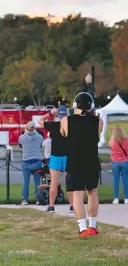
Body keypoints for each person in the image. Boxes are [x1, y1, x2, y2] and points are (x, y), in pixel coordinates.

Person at [60, 92, 103, 237]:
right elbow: (96, 136)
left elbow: (64, 134)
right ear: (91, 106)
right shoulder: (98, 121)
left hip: (75, 160)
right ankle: (93, 226)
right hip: (91, 159)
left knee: (77, 195)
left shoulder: (67, 120)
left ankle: (82, 228)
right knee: (92, 191)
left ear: (75, 105)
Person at [38, 107, 74, 213]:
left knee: (53, 183)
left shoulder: (54, 125)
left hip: (56, 156)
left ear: (57, 115)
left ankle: (51, 206)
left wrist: (49, 113)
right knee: (70, 182)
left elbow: (40, 121)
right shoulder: (71, 126)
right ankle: (72, 206)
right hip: (68, 156)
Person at [19, 121, 44, 205]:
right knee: (37, 182)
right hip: (37, 161)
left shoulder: (22, 138)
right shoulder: (40, 137)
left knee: (26, 182)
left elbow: (21, 145)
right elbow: (40, 144)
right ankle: (38, 199)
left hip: (26, 161)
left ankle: (25, 199)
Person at [108, 126, 128, 204]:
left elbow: (110, 145)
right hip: (125, 162)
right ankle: (126, 198)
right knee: (125, 181)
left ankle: (116, 198)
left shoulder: (113, 140)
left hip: (115, 162)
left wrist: (112, 136)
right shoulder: (126, 140)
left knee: (116, 181)